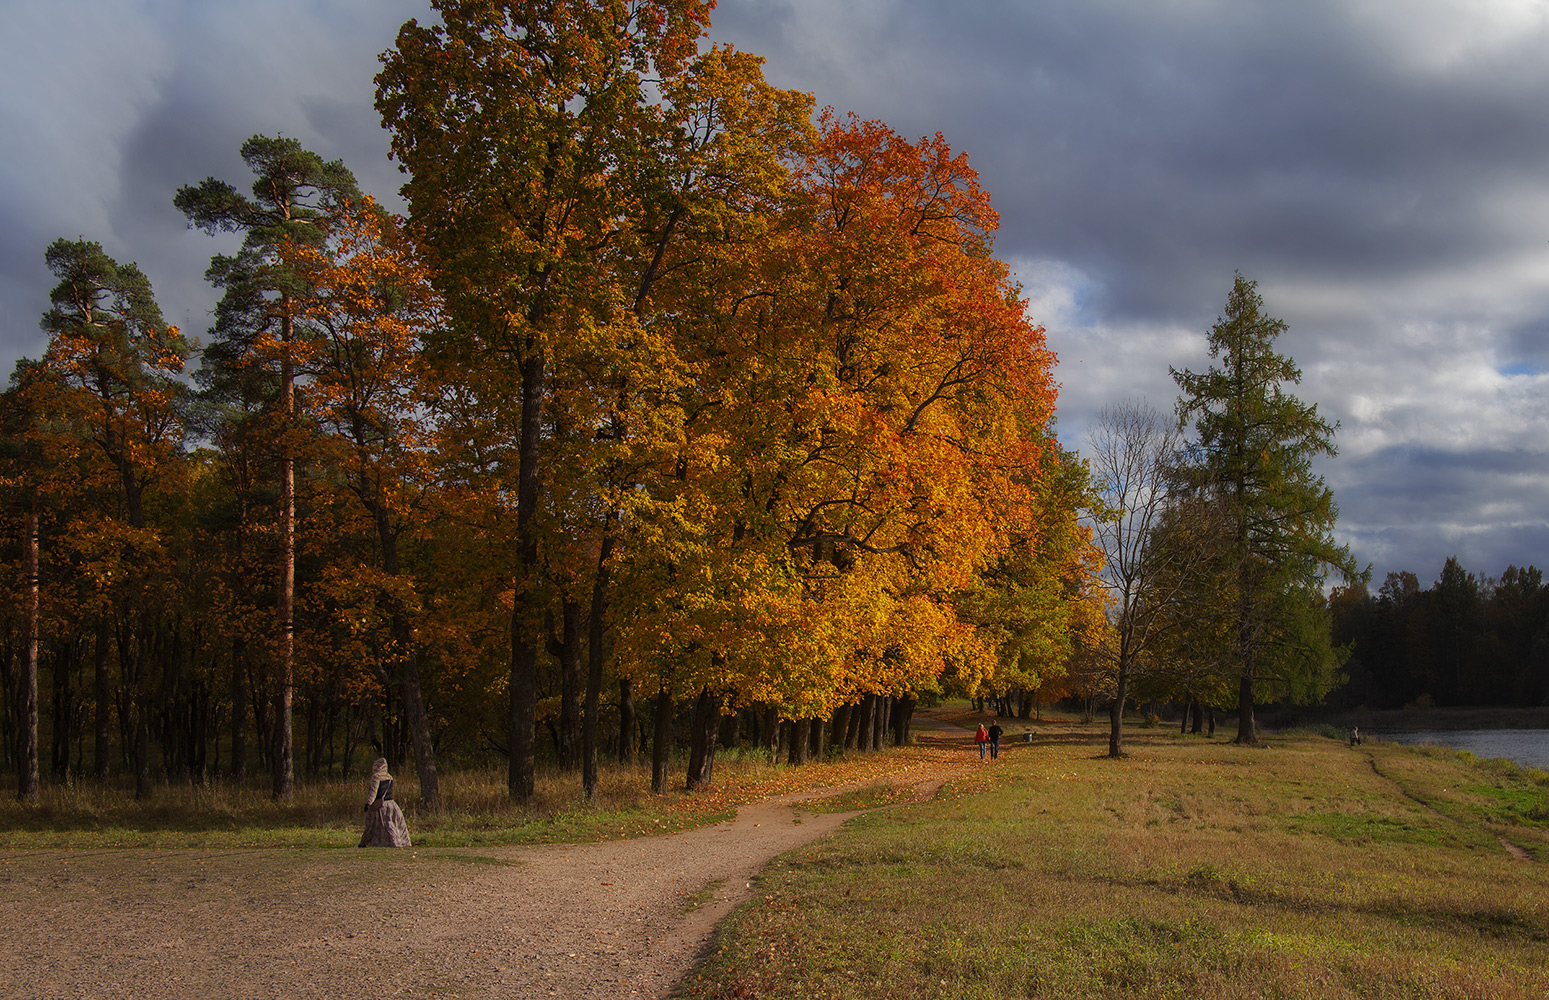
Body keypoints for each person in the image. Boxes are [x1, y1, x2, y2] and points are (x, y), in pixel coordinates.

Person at [358, 757, 412, 848]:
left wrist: (368, 803)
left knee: (373, 824)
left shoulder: (376, 776)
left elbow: (373, 791)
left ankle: (365, 842)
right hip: (391, 804)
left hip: (380, 805)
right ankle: (397, 841)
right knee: (391, 823)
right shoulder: (389, 777)